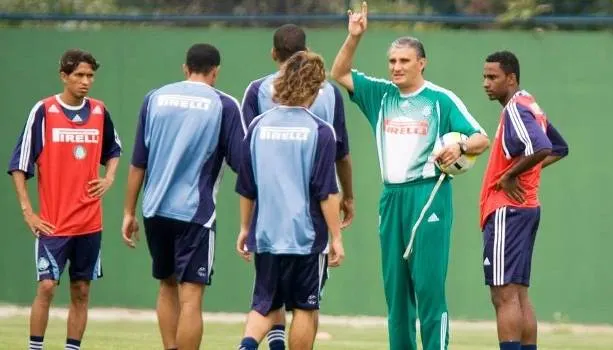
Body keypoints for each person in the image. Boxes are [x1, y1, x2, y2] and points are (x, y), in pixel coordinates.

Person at [330, 2, 490, 349]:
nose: (396, 67)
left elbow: (482, 138)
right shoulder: (380, 95)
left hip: (428, 196)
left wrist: (460, 148)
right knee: (396, 294)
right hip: (392, 198)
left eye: (404, 61)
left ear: (421, 63)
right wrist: (354, 37)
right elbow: (339, 72)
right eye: (392, 61)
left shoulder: (439, 99)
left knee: (429, 289)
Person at [121, 43, 244, 350]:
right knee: (191, 296)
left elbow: (138, 162)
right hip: (195, 213)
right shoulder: (224, 105)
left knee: (166, 284)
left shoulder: (155, 98)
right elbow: (242, 163)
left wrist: (128, 212)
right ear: (215, 72)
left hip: (154, 209)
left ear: (185, 68)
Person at [240, 23, 354, 349]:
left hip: (266, 226)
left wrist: (246, 227)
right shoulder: (319, 130)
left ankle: (248, 343)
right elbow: (325, 190)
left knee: (263, 301)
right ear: (313, 88)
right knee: (305, 305)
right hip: (305, 232)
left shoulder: (260, 125)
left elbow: (247, 183)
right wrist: (336, 237)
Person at [7, 49, 122, 350]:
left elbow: (114, 151)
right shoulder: (44, 111)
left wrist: (109, 178)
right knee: (46, 286)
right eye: (79, 75)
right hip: (54, 224)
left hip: (89, 223)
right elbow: (19, 165)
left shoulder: (99, 111)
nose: (86, 81)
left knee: (81, 290)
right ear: (64, 76)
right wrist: (28, 212)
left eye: (90, 76)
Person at [480, 50, 569, 350]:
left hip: (508, 209)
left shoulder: (515, 109)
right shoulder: (529, 103)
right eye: (485, 77)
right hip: (526, 208)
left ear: (511, 78)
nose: (486, 83)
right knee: (518, 295)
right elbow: (559, 147)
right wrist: (524, 174)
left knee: (503, 295)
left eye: (493, 77)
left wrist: (509, 176)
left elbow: (543, 146)